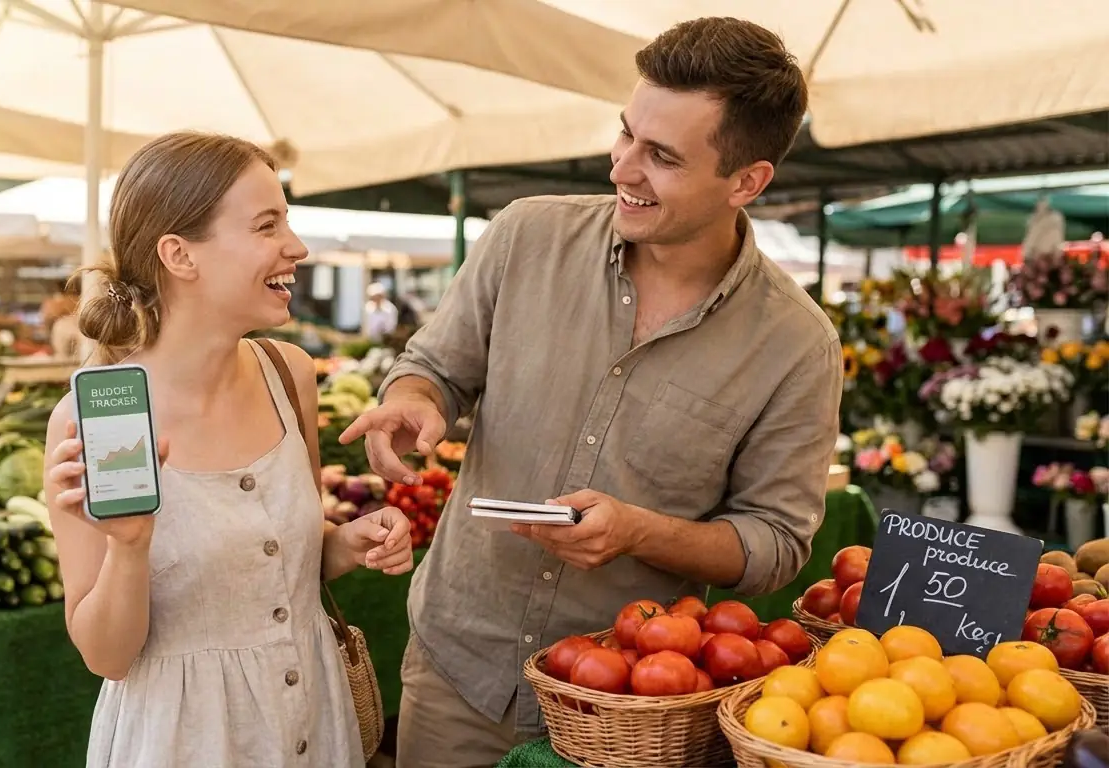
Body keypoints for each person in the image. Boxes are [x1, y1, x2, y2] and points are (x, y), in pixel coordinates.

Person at [340, 17, 843, 768]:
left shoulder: (797, 345)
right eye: (626, 135)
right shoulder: (524, 237)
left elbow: (774, 543)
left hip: (629, 709)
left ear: (747, 181)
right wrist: (417, 401)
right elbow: (435, 368)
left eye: (662, 157)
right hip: (458, 671)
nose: (622, 169)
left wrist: (642, 532)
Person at [42, 131, 415, 768]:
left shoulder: (288, 374)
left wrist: (344, 543)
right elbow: (106, 656)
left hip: (316, 729)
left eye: (287, 222)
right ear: (180, 255)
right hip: (186, 742)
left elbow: (267, 566)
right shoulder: (91, 420)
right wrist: (129, 548)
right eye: (266, 226)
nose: (295, 248)